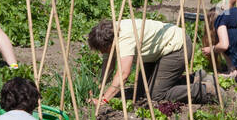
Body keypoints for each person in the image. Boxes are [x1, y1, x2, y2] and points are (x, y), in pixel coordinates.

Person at [87, 18, 217, 106]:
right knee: (142, 91)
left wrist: (104, 100)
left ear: (109, 43)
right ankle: (195, 78)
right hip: (155, 52)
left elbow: (123, 74)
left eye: (104, 50)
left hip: (176, 48)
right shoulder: (109, 33)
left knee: (156, 95)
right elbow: (108, 64)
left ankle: (204, 90)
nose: (103, 54)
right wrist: (99, 86)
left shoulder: (123, 38)